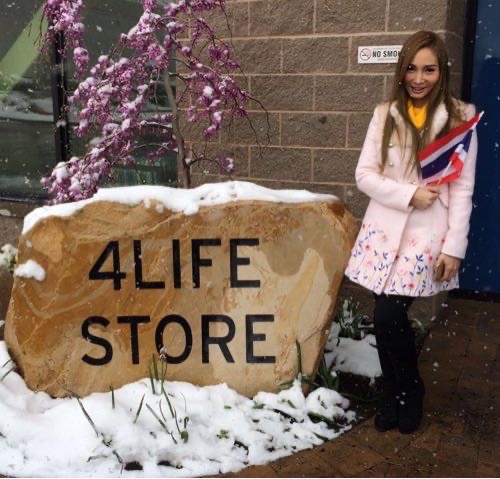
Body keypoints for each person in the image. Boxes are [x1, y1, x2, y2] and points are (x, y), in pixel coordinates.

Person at [345, 31, 478, 434]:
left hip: (427, 236)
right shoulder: (385, 113)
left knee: (388, 314)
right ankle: (395, 394)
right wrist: (409, 194)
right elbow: (364, 175)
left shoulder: (460, 118)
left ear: (442, 71)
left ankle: (409, 391)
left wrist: (454, 248)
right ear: (401, 70)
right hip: (383, 233)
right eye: (412, 69)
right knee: (385, 318)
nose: (419, 79)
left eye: (429, 69)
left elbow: (463, 189)